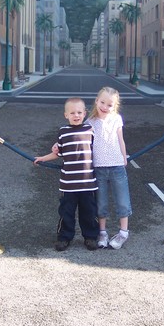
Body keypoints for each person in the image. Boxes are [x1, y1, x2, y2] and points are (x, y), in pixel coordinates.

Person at [34, 97, 99, 252]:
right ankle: (64, 238)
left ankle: (90, 237)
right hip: (68, 184)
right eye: (72, 113)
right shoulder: (63, 132)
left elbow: (99, 150)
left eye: (79, 112)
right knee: (66, 212)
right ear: (66, 115)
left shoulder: (90, 130)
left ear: (85, 113)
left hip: (88, 183)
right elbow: (58, 153)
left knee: (89, 212)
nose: (76, 115)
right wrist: (43, 158)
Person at [87, 87, 132, 250]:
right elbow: (84, 143)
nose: (105, 107)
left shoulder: (116, 119)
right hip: (98, 167)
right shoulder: (90, 122)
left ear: (115, 106)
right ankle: (103, 232)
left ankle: (123, 232)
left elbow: (121, 139)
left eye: (110, 104)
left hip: (116, 166)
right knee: (101, 202)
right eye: (102, 102)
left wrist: (124, 156)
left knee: (122, 200)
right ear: (96, 101)